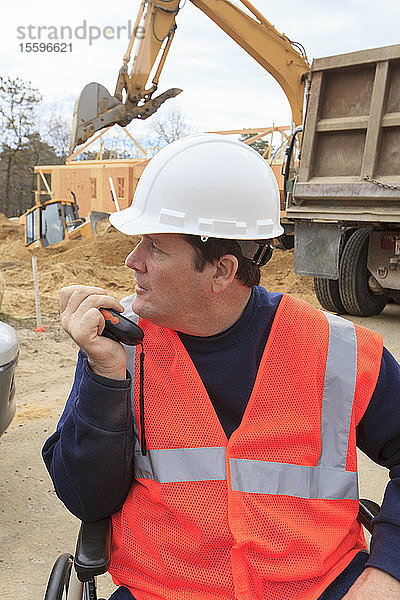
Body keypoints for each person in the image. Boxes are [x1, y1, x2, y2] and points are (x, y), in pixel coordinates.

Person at [43, 134, 400, 600]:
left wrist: (387, 572)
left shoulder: (336, 350)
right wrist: (104, 379)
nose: (132, 261)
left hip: (318, 587)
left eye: (155, 246)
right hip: (164, 590)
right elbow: (85, 499)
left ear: (221, 270)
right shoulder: (118, 347)